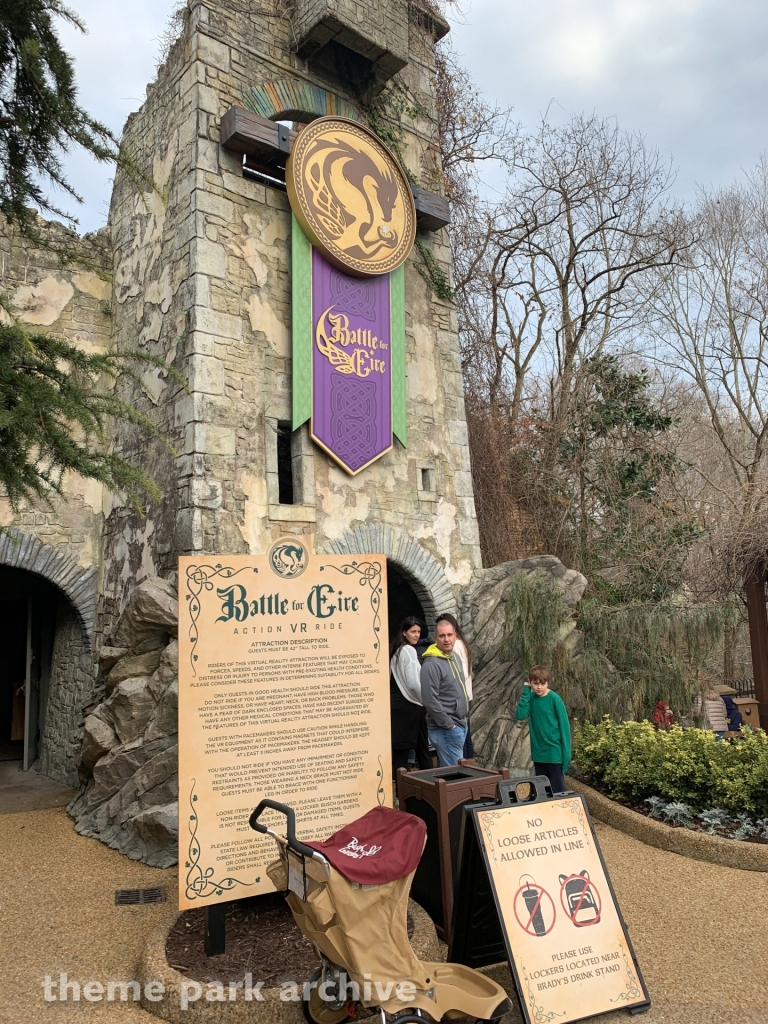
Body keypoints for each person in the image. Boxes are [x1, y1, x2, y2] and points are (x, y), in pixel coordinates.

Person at [514, 665, 571, 794]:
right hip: (539, 753)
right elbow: (520, 715)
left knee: (558, 790)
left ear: (547, 683)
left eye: (542, 683)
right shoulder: (531, 698)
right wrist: (526, 692)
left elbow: (565, 727)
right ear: (530, 683)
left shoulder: (555, 699)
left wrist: (566, 754)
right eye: (535, 684)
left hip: (554, 753)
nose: (539, 687)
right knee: (541, 791)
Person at [420, 618, 469, 767]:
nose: (446, 639)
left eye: (449, 635)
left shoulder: (455, 658)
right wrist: (449, 725)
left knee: (452, 775)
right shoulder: (431, 664)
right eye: (442, 636)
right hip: (446, 729)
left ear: (456, 636)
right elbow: (430, 701)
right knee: (455, 779)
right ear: (435, 638)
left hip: (459, 724)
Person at [389, 617, 432, 775]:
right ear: (404, 632)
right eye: (413, 631)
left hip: (397, 706)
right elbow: (413, 682)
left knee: (400, 755)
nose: (416, 635)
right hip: (410, 706)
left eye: (418, 632)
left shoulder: (397, 650)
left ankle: (401, 794)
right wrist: (425, 701)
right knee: (422, 751)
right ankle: (430, 782)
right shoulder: (409, 650)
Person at [436, 612, 475, 764]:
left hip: (460, 698)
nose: (445, 638)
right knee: (466, 736)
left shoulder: (456, 645)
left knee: (461, 738)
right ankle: (469, 770)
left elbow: (462, 673)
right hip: (465, 696)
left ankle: (464, 771)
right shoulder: (461, 643)